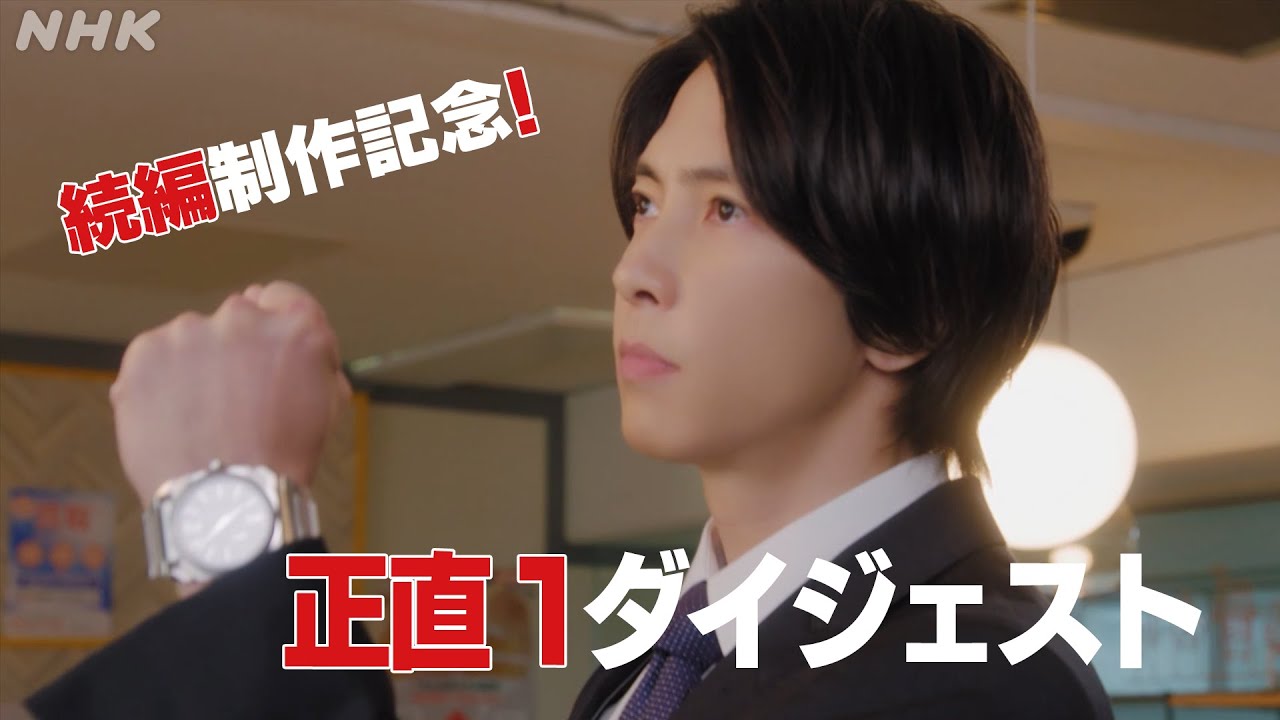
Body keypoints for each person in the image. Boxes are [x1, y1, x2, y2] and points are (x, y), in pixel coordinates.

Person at [26, 0, 1113, 718]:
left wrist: (235, 529)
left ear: (911, 308)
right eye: (645, 203)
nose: (634, 269)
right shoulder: (661, 665)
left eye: (726, 209)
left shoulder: (973, 684)